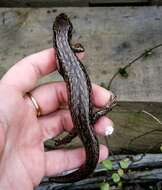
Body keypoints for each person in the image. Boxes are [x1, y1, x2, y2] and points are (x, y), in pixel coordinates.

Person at [0, 49, 114, 190]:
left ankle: (66, 142)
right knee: (88, 124)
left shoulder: (61, 59)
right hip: (83, 115)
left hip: (82, 116)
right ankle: (66, 142)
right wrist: (107, 108)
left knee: (86, 126)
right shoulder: (71, 53)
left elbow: (61, 68)